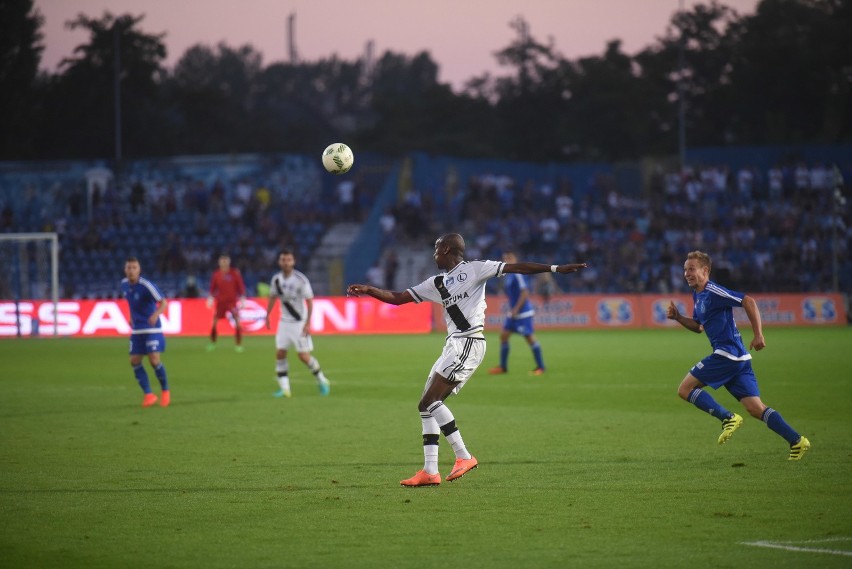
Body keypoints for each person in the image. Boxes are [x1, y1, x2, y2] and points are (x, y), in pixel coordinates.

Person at [347, 233, 587, 487]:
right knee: (424, 406)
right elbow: (398, 298)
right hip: (453, 345)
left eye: (437, 248)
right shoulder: (437, 283)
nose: (434, 253)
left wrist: (555, 269)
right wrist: (370, 290)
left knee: (431, 401)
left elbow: (517, 267)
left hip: (470, 342)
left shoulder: (475, 270)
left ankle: (464, 456)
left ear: (447, 249)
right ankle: (430, 471)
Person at [666, 250, 810, 460]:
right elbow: (698, 327)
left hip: (727, 355)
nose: (687, 273)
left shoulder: (714, 291)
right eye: (685, 269)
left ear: (705, 271)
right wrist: (678, 317)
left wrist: (758, 334)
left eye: (692, 269)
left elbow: (748, 301)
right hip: (740, 359)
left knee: (685, 389)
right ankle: (797, 441)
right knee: (755, 408)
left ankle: (728, 418)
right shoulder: (698, 294)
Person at [264, 249, 331, 398]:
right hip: (284, 323)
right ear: (279, 262)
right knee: (280, 353)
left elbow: (310, 301)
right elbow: (273, 297)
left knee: (303, 356)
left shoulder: (301, 280)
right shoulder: (276, 280)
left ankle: (322, 380)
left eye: (288, 259)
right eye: (283, 259)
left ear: (293, 262)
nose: (286, 262)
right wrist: (267, 314)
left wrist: (308, 323)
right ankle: (285, 389)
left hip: (299, 323)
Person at [120, 257, 170, 408]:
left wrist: (156, 315)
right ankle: (149, 395)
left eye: (134, 268)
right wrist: (130, 317)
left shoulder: (146, 285)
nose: (131, 271)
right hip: (137, 330)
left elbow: (164, 302)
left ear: (139, 269)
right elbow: (130, 303)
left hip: (152, 329)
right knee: (134, 361)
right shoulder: (124, 285)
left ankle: (165, 392)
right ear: (125, 269)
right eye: (129, 268)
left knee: (154, 360)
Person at [488, 250, 547, 376]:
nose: (506, 260)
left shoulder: (518, 274)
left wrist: (516, 309)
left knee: (529, 338)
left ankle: (541, 367)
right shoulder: (509, 275)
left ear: (515, 259)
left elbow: (525, 292)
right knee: (504, 336)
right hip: (514, 313)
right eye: (504, 258)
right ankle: (503, 367)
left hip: (523, 313)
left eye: (509, 258)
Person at [206, 254, 247, 352]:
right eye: (222, 261)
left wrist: (242, 299)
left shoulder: (234, 273)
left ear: (229, 262)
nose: (224, 262)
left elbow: (240, 287)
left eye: (225, 261)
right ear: (219, 262)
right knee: (214, 323)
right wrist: (210, 299)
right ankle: (212, 343)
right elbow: (212, 288)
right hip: (220, 302)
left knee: (237, 322)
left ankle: (238, 345)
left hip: (232, 302)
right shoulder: (216, 274)